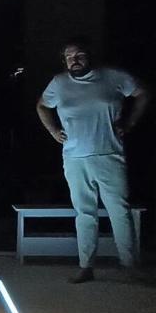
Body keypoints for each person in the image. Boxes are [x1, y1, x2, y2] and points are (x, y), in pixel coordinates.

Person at [36, 37, 150, 283]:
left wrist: (129, 122)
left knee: (119, 211)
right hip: (75, 157)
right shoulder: (59, 83)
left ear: (89, 56)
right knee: (84, 212)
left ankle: (129, 265)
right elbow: (42, 106)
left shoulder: (113, 77)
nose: (74, 60)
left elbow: (142, 93)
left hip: (109, 154)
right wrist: (53, 131)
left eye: (79, 55)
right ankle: (86, 266)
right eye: (69, 57)